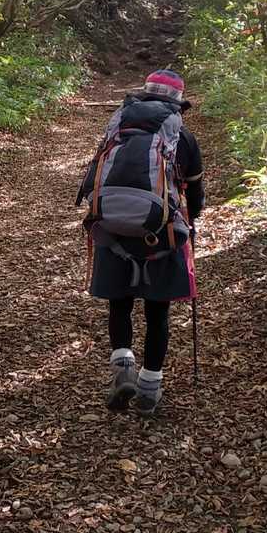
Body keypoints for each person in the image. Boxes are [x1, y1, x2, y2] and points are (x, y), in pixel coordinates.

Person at [76, 69, 204, 415]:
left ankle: (123, 368)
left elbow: (93, 179)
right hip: (160, 235)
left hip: (112, 230)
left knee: (119, 305)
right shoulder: (183, 137)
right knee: (157, 312)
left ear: (143, 94)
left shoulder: (117, 128)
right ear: (177, 102)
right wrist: (191, 222)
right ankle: (149, 389)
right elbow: (196, 196)